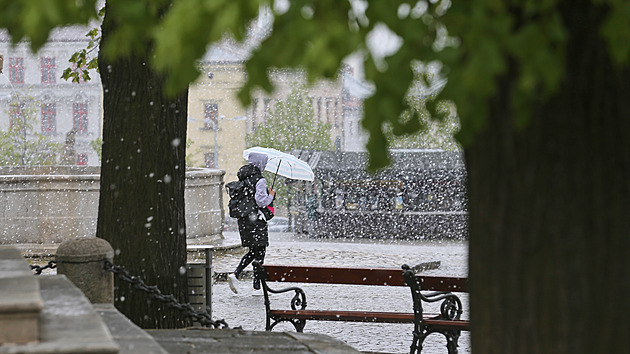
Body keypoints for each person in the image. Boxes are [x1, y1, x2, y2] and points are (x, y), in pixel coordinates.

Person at [228, 152, 275, 295]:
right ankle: (252, 285)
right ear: (260, 164)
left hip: (244, 220)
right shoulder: (259, 180)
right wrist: (271, 196)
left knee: (254, 251)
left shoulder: (244, 177)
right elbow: (261, 201)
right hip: (256, 220)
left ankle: (241, 277)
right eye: (264, 163)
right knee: (259, 252)